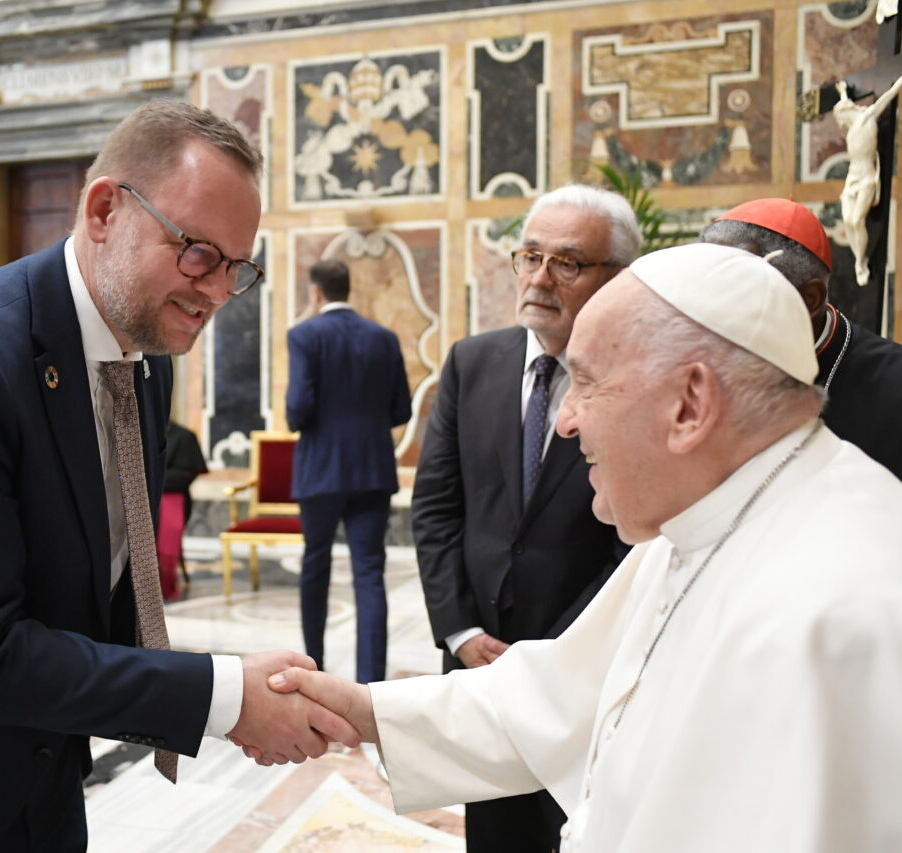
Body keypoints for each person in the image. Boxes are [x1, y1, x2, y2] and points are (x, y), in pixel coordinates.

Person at [0, 100, 357, 851]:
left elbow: (99, 609)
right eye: (197, 252)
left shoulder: (141, 364)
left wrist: (246, 692)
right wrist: (223, 696)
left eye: (237, 269)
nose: (215, 292)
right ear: (105, 209)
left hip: (40, 783)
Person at [265, 242, 902, 852]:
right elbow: (557, 698)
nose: (565, 419)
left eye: (588, 382)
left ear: (689, 405)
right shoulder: (705, 516)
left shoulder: (845, 609)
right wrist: (363, 707)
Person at [412, 183, 636, 851]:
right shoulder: (472, 362)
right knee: (495, 833)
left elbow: (637, 539)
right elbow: (436, 507)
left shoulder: (638, 376)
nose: (539, 277)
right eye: (529, 255)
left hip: (583, 675)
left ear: (617, 278)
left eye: (567, 262)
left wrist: (559, 652)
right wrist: (459, 629)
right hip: (481, 666)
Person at [701, 196, 902, 478]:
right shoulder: (698, 359)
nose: (716, 307)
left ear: (810, 299)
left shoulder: (894, 385)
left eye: (739, 288)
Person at [286, 258, 412, 684]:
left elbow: (297, 409)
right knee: (370, 574)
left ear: (316, 292)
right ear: (347, 289)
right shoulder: (384, 338)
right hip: (373, 470)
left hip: (321, 470)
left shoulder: (304, 335)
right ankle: (371, 682)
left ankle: (313, 669)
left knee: (315, 566)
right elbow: (402, 409)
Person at [832, 74, 902, 285]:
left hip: (867, 177)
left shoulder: (868, 117)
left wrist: (899, 82)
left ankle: (860, 262)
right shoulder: (853, 126)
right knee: (847, 220)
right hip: (852, 178)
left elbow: (888, 95)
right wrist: (843, 92)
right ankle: (858, 260)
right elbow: (845, 104)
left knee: (855, 221)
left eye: (841, 120)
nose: (841, 124)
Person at [156, 419, 208, 600]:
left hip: (170, 496)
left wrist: (150, 480)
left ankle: (165, 584)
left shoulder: (183, 436)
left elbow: (184, 475)